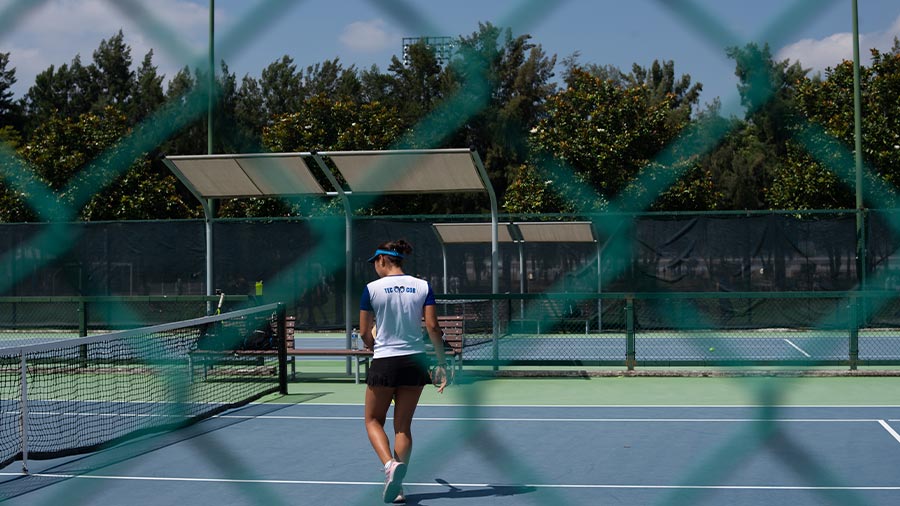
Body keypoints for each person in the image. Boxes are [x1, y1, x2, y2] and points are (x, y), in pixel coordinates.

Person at [359, 239, 448, 504]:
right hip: (415, 362)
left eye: (375, 262)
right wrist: (441, 363)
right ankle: (397, 487)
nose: (374, 267)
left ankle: (389, 466)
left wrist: (371, 344)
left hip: (385, 362)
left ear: (383, 260)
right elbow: (432, 327)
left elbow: (365, 332)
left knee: (373, 420)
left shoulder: (371, 289)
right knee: (403, 428)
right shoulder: (423, 286)